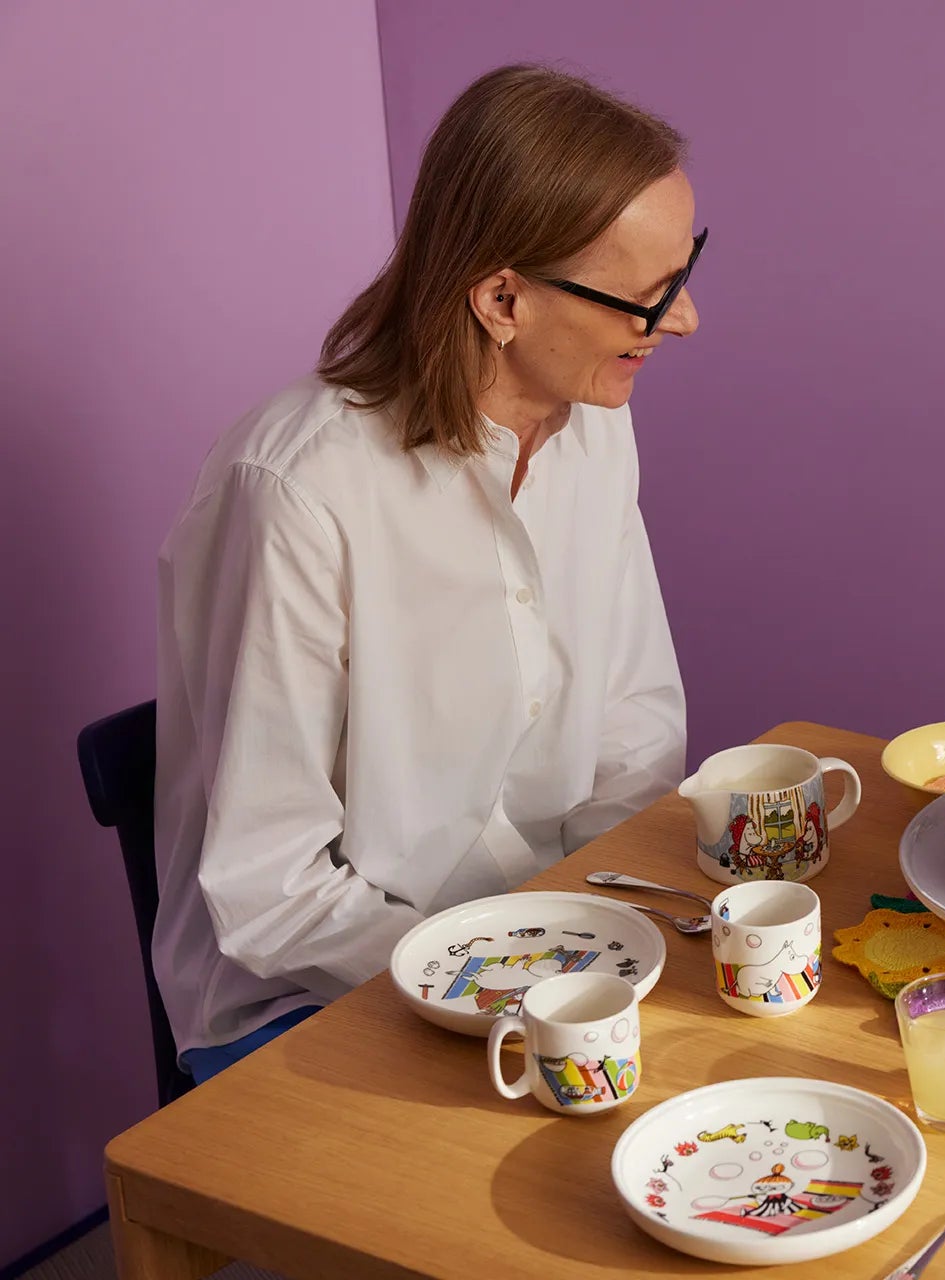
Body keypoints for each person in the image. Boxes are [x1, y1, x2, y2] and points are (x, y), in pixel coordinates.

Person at [152, 65, 700, 1082]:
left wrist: (596, 931)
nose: (685, 319)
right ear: (502, 298)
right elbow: (270, 891)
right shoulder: (295, 491)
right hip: (311, 990)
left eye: (686, 268)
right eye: (648, 297)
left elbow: (634, 728)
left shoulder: (592, 433)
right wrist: (523, 976)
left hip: (554, 944)